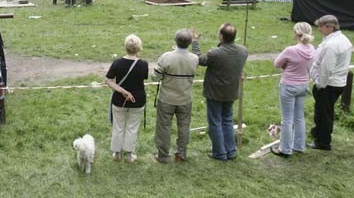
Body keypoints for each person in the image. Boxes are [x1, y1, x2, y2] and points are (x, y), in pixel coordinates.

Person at [192, 23, 247, 161]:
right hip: (231, 92)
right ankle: (231, 151)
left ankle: (220, 153)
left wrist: (195, 43)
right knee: (227, 120)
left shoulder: (214, 53)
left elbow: (199, 59)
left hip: (215, 92)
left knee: (215, 121)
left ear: (221, 36)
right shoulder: (243, 50)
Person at [152, 29, 199, 163]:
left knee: (164, 127)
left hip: (166, 98)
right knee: (184, 127)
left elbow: (155, 77)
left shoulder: (166, 57)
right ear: (189, 43)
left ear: (175, 41)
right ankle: (181, 154)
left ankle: (163, 156)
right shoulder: (194, 59)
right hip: (185, 98)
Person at [270, 22, 315, 158]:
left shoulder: (291, 50)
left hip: (289, 85)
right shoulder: (312, 49)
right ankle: (299, 146)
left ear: (296, 33)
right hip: (303, 85)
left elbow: (277, 64)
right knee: (299, 117)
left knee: (287, 119)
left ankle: (285, 149)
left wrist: (286, 66)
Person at [309, 15, 352, 151]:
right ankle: (318, 131)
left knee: (323, 113)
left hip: (328, 84)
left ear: (330, 27)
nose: (319, 29)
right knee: (325, 111)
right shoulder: (343, 39)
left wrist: (320, 84)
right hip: (337, 82)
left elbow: (326, 68)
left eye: (321, 26)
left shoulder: (332, 45)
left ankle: (323, 142)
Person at [105, 34, 149, 163]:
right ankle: (129, 155)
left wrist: (122, 91)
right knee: (132, 127)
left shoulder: (117, 63)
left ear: (125, 47)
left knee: (118, 126)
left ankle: (117, 154)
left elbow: (108, 80)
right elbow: (144, 78)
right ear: (139, 48)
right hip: (138, 100)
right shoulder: (143, 64)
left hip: (119, 100)